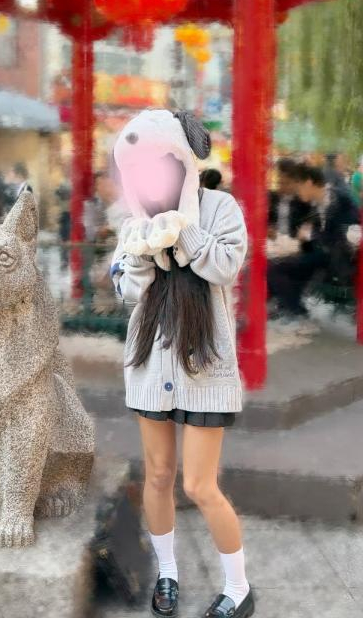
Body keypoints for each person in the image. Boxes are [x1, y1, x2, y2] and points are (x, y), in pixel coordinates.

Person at [110, 109, 254, 618]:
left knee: (199, 485)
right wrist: (140, 253)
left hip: (205, 367)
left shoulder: (219, 207)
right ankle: (167, 573)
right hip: (151, 364)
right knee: (156, 475)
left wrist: (182, 232)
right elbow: (126, 291)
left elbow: (226, 266)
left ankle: (238, 587)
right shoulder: (132, 219)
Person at [267, 164, 360, 318]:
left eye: (298, 187)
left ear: (309, 183)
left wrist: (311, 235)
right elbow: (314, 236)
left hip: (339, 259)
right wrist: (299, 244)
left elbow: (345, 236)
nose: (297, 192)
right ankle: (292, 308)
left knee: (278, 269)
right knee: (278, 264)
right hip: (320, 255)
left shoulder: (341, 200)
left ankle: (295, 311)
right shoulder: (315, 204)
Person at [267, 157, 313, 240]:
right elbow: (264, 220)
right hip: (273, 243)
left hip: (294, 244)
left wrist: (306, 229)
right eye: (279, 182)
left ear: (295, 182)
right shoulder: (271, 197)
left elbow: (310, 223)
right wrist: (268, 228)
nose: (282, 187)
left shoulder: (304, 201)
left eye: (286, 183)